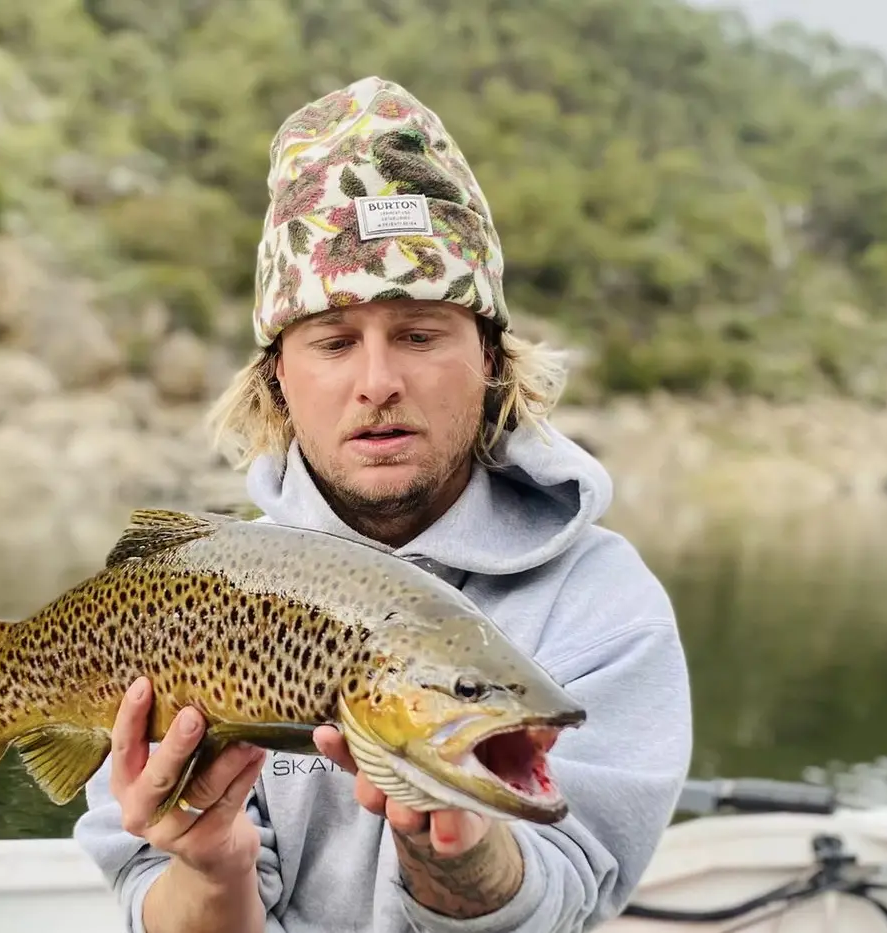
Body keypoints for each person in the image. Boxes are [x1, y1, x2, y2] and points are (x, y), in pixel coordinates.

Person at [73, 75, 694, 933]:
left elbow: (564, 898)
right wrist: (213, 868)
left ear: (490, 360)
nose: (377, 384)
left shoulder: (606, 606)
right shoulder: (199, 596)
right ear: (279, 379)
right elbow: (160, 902)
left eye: (419, 333)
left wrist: (460, 852)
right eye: (333, 342)